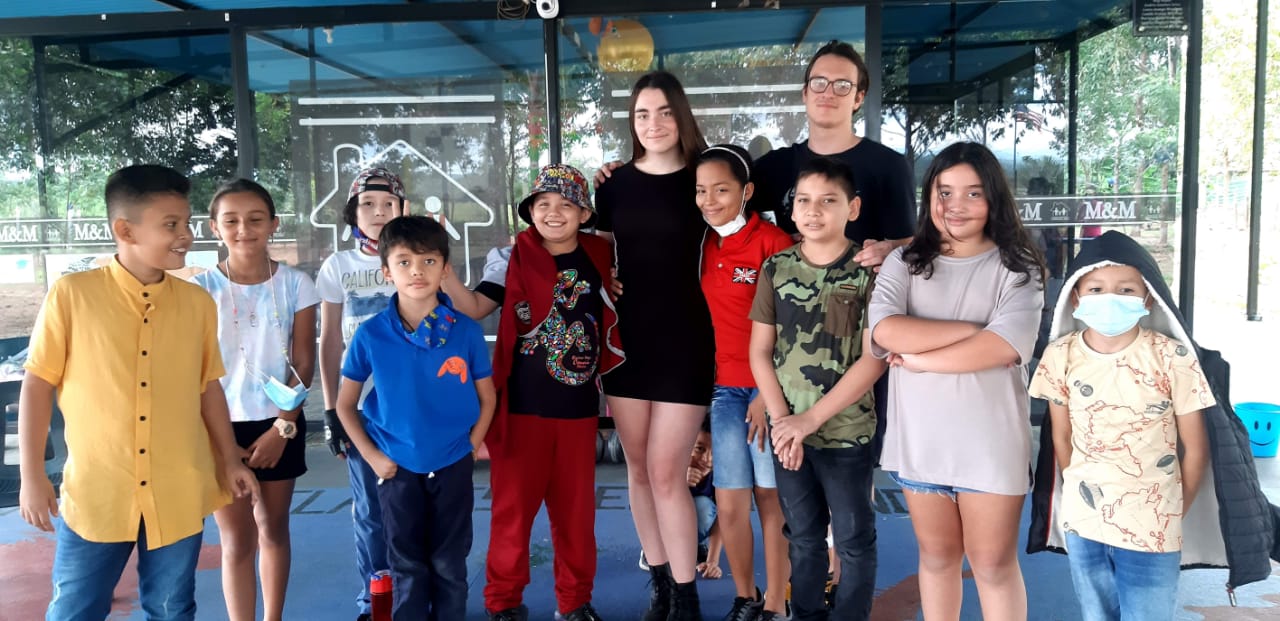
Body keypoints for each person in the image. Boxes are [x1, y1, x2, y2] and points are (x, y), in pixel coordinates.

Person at [18, 164, 259, 620]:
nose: (185, 235)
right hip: (98, 493)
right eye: (171, 224)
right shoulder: (72, 296)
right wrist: (32, 475)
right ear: (125, 230)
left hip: (178, 490)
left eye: (186, 222)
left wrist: (229, 459)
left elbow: (208, 387)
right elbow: (37, 384)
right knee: (74, 609)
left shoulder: (197, 304)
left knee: (171, 608)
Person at [1027, 230, 1280, 620]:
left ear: (1147, 297)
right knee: (1096, 613)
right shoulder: (1060, 355)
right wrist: (1079, 490)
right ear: (1075, 297)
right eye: (1096, 288)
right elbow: (1061, 435)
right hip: (1084, 522)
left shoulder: (1172, 357)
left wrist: (1173, 510)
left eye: (1126, 289)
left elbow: (1196, 448)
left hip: (1153, 526)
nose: (1110, 297)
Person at [868, 142, 1046, 621]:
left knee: (992, 564)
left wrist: (919, 360)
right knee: (937, 558)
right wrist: (971, 330)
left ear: (994, 198)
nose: (955, 205)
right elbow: (885, 330)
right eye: (944, 192)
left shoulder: (1017, 267)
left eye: (972, 193)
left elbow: (1003, 347)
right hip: (922, 443)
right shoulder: (903, 261)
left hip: (990, 446)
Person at [592, 70, 713, 621]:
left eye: (664, 111)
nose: (654, 123)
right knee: (638, 470)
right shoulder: (613, 185)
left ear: (680, 115)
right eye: (642, 114)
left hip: (687, 341)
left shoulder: (704, 179)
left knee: (668, 474)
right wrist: (604, 280)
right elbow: (595, 253)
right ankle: (661, 585)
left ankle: (686, 598)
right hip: (627, 342)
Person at [335, 215, 496, 620]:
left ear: (445, 269)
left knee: (450, 562)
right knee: (406, 563)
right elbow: (345, 405)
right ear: (386, 272)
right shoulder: (371, 334)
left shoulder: (466, 332)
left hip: (453, 462)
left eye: (428, 261)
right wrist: (374, 457)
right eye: (404, 262)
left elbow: (487, 397)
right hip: (396, 468)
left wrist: (472, 444)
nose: (417, 271)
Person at [748, 156, 887, 621]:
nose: (813, 210)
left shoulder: (869, 272)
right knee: (803, 539)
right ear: (791, 209)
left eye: (828, 201)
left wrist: (808, 420)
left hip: (847, 434)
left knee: (853, 541)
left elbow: (874, 358)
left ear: (853, 208)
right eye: (804, 200)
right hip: (789, 436)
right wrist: (782, 422)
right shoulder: (776, 268)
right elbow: (760, 351)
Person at [481, 164, 622, 621]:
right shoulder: (511, 257)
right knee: (512, 515)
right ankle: (503, 602)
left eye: (566, 204)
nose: (553, 212)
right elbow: (475, 306)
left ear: (584, 214)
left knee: (577, 517)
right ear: (529, 211)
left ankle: (575, 601)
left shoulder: (600, 253)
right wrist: (436, 270)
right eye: (543, 203)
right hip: (521, 410)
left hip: (578, 411)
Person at [195, 179, 319, 621]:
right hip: (219, 427)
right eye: (231, 221)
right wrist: (223, 444)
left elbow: (303, 361)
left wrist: (282, 427)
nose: (243, 229)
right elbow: (196, 371)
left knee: (274, 529)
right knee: (236, 540)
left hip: (280, 422)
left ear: (273, 224)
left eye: (255, 219)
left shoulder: (297, 284)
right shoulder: (199, 289)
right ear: (214, 227)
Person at [694, 144, 793, 621]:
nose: (709, 201)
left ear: (746, 191)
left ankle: (776, 601)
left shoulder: (773, 243)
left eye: (721, 190)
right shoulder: (703, 245)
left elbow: (794, 327)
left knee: (771, 500)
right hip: (722, 392)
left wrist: (765, 395)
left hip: (765, 392)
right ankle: (745, 597)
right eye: (701, 191)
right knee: (730, 503)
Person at [316, 167, 406, 621]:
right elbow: (330, 338)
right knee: (370, 510)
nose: (378, 212)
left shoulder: (415, 257)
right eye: (368, 204)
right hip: (359, 411)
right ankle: (376, 598)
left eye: (388, 203)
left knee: (413, 507)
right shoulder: (338, 266)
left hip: (409, 408)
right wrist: (331, 409)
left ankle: (416, 592)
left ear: (403, 209)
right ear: (352, 212)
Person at [747, 40, 916, 269]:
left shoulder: (889, 166)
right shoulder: (773, 168)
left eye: (842, 85)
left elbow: (909, 245)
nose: (828, 93)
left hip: (861, 289)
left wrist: (893, 252)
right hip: (786, 289)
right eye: (819, 82)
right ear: (805, 93)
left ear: (858, 98)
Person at [686, 420, 723, 581]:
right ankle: (655, 550)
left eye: (716, 452)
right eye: (699, 449)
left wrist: (712, 561)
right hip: (659, 527)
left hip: (694, 517)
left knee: (704, 508)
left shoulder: (720, 475)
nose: (707, 459)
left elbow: (722, 519)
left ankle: (692, 546)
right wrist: (677, 482)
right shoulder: (671, 462)